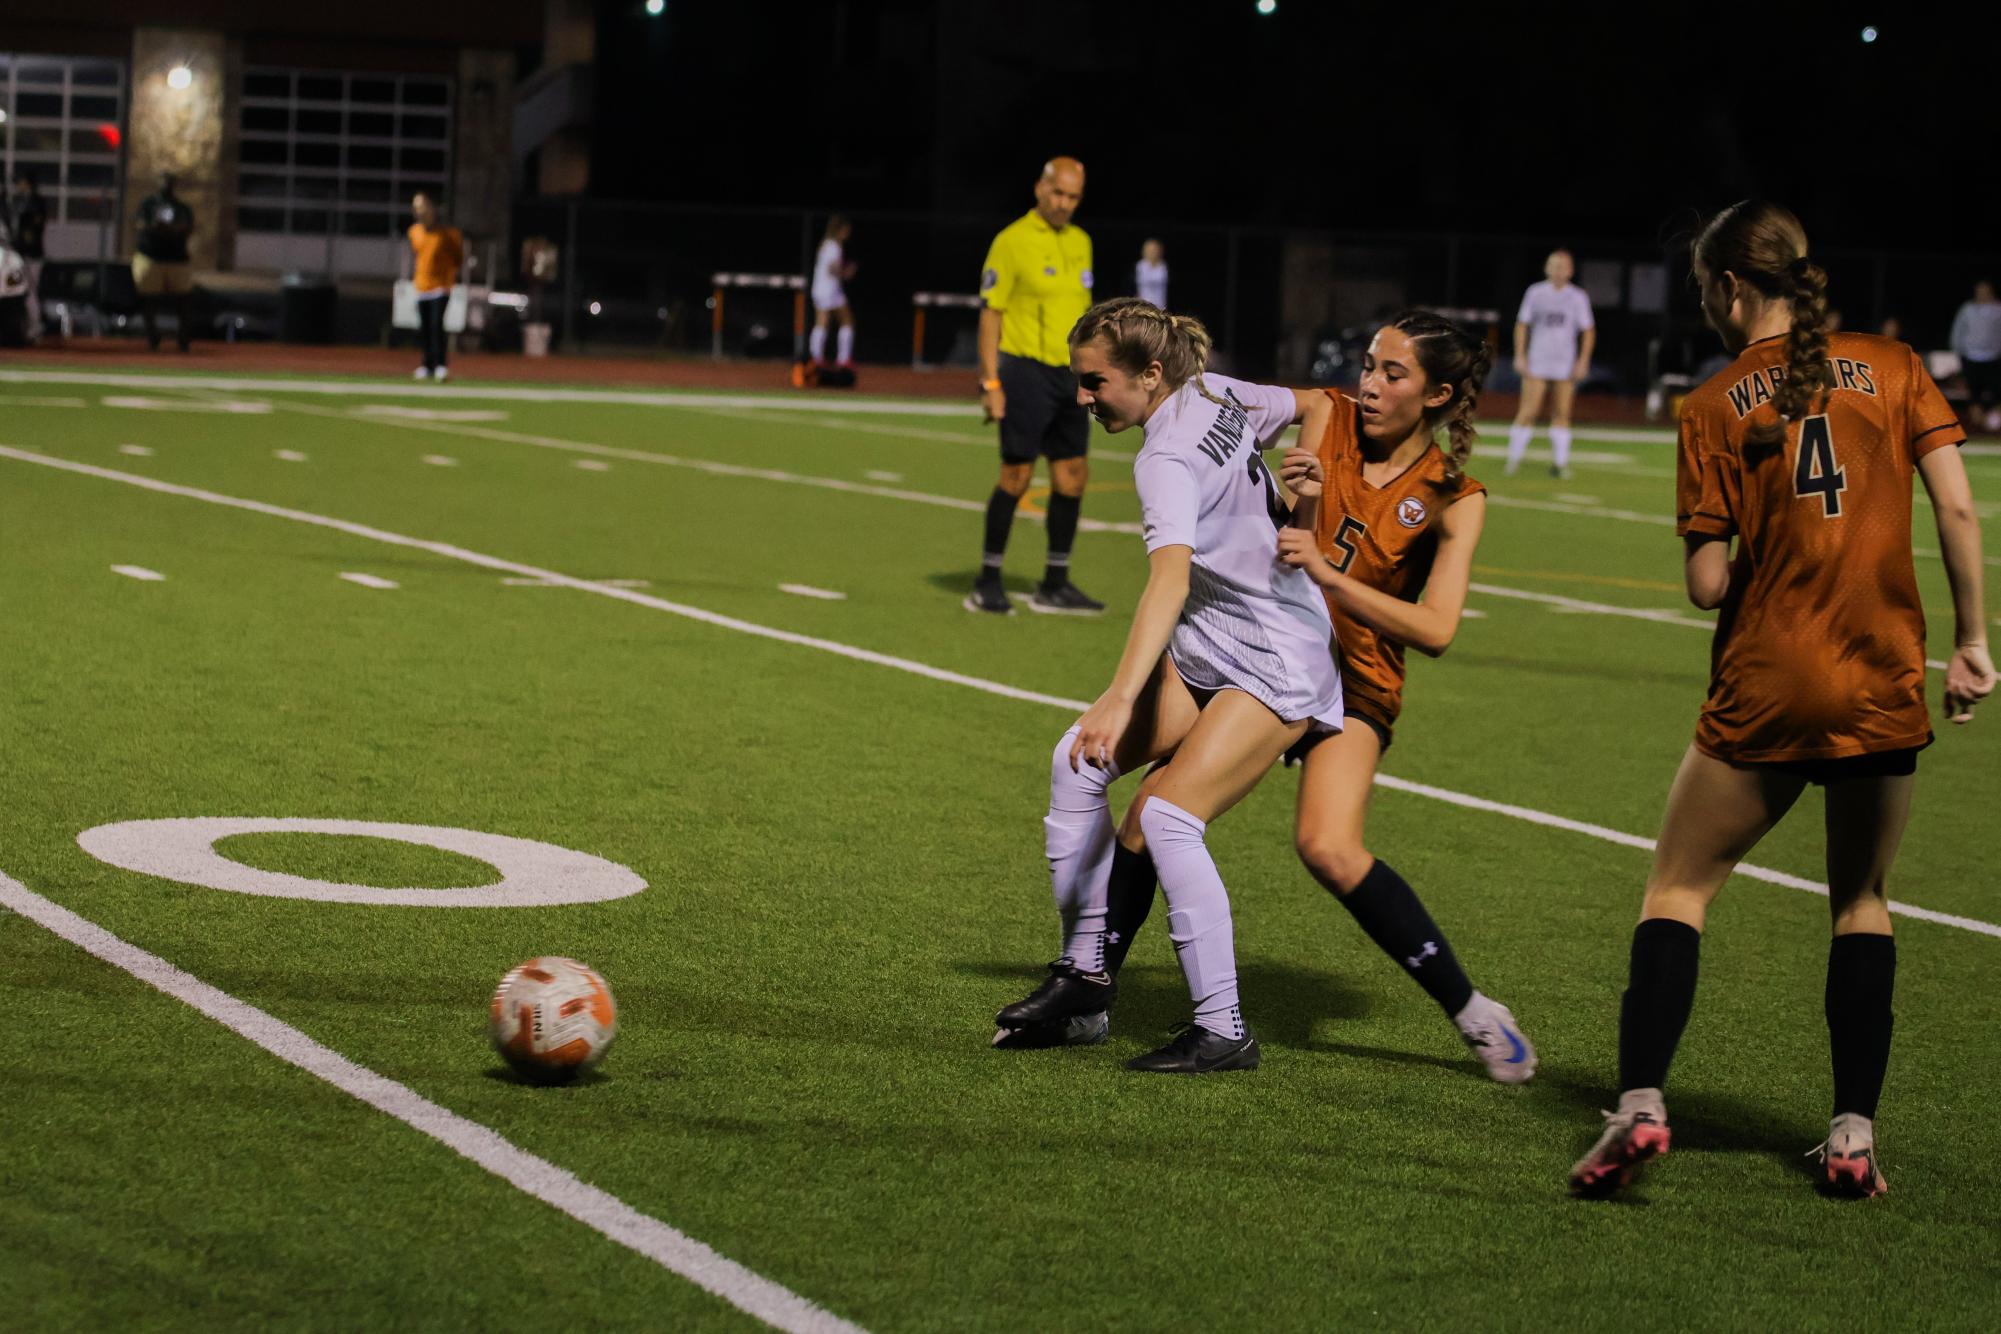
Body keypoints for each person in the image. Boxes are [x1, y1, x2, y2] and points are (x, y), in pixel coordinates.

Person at [1569, 201, 1996, 1200]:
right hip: (1884, 671)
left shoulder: (1714, 401)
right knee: (1861, 898)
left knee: (1678, 886)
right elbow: (1960, 505)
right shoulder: (1892, 364)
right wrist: (1972, 643)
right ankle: (1851, 1135)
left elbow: (1708, 585)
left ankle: (1639, 1105)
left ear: (1727, 287)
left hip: (1769, 677)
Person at [1007, 313, 1538, 1083]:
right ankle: (1089, 988)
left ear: (1438, 395)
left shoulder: (1454, 496)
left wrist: (1325, 571)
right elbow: (1301, 406)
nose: (1369, 383)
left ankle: (1471, 1011)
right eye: (1368, 363)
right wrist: (1307, 471)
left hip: (1349, 678)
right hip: (1254, 644)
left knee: (1324, 847)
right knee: (1140, 818)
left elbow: (1436, 629)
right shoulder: (1333, 422)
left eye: (1393, 373)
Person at [992, 297, 1342, 1073]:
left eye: (1094, 383)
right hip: (1217, 641)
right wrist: (1303, 502)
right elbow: (1318, 402)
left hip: (1276, 655)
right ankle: (1082, 981)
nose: (1082, 399)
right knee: (1077, 762)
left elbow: (1167, 581)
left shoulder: (1165, 455)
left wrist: (1122, 694)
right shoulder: (1215, 390)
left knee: (1169, 820)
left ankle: (1223, 1029)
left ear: (1150, 374)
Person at [968, 157, 1101, 616]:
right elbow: (991, 314)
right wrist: (990, 382)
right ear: (1040, 189)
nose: (1064, 204)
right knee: (1017, 476)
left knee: (1072, 478)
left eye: (1073, 197)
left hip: (1070, 375)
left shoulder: (1082, 242)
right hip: (1024, 371)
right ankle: (987, 580)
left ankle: (1055, 582)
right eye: (1058, 194)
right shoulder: (1011, 241)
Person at [1504, 249, 1595, 478]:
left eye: (1563, 266)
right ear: (1546, 268)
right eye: (1554, 265)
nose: (1558, 270)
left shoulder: (1577, 297)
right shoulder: (1535, 293)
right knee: (1528, 411)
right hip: (1538, 360)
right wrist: (1520, 355)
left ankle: (1559, 464)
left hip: (1564, 363)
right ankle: (1513, 460)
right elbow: (1522, 324)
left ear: (1571, 270)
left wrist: (1583, 361)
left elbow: (1588, 330)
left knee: (1562, 413)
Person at [132, 172, 195, 352]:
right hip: (151, 256)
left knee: (185, 300)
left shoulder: (181, 207)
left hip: (177, 258)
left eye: (170, 181)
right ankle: (153, 337)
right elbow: (140, 223)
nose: (167, 185)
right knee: (149, 299)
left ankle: (183, 340)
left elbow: (188, 227)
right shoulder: (148, 204)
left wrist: (172, 229)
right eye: (164, 181)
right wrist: (156, 227)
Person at [408, 192, 464, 382]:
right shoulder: (414, 232)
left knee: (436, 326)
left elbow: (458, 257)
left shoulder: (447, 234)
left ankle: (440, 365)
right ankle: (427, 365)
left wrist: (448, 275)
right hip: (421, 285)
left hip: (440, 286)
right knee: (424, 328)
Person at [1949, 279, 2001, 433]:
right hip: (1970, 358)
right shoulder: (1968, 309)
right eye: (1979, 290)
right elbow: (1957, 331)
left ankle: (1991, 427)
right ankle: (1979, 429)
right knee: (1974, 396)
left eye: (1985, 290)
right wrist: (1958, 351)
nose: (1982, 293)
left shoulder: (1998, 309)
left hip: (1994, 359)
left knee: (1996, 395)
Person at [808, 215, 856, 370]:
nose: (848, 232)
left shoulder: (828, 244)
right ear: (841, 230)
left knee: (836, 321)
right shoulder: (833, 246)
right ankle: (822, 359)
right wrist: (846, 272)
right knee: (830, 322)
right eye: (846, 229)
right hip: (827, 289)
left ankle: (831, 358)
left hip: (827, 289)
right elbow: (832, 268)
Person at [6, 169, 48, 343]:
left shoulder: (36, 202)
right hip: (21, 254)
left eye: (21, 181)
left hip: (31, 255)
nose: (19, 185)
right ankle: (29, 328)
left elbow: (34, 229)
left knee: (30, 292)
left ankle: (36, 328)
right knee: (22, 292)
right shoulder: (21, 201)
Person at [1135, 238, 1168, 308]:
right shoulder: (1140, 266)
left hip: (1160, 306)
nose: (1153, 252)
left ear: (1160, 251)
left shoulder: (1163, 266)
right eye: (1150, 250)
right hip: (1143, 306)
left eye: (1155, 250)